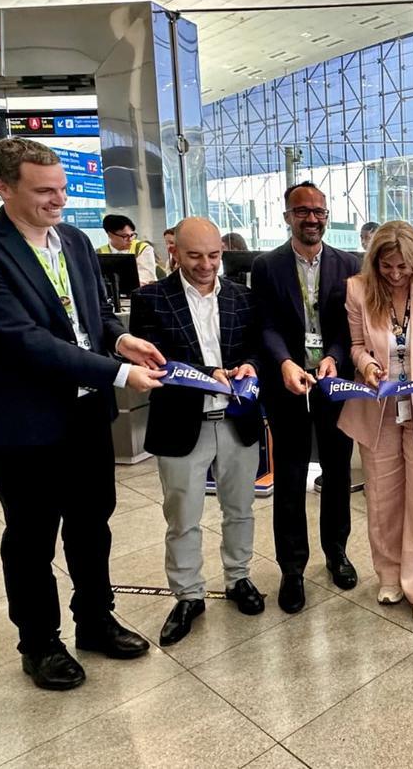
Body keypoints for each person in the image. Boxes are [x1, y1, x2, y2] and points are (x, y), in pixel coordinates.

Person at [0, 138, 165, 690]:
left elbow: (92, 317)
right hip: (23, 423)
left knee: (92, 523)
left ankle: (94, 619)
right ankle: (40, 642)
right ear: (2, 188)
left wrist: (123, 344)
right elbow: (22, 341)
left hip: (85, 416)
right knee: (31, 535)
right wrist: (118, 375)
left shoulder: (72, 239)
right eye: (44, 191)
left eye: (64, 189)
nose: (59, 202)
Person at [129, 218, 266, 646]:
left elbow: (256, 345)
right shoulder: (149, 298)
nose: (206, 265)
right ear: (174, 253)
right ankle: (188, 595)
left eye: (214, 255)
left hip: (236, 420)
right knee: (183, 517)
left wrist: (250, 366)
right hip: (180, 424)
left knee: (239, 508)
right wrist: (211, 374)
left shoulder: (243, 297)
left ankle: (238, 577)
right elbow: (156, 360)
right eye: (194, 256)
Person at [337, 222, 413, 622]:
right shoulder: (358, 290)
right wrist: (368, 365)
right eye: (387, 267)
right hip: (378, 408)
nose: (395, 275)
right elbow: (356, 345)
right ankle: (389, 575)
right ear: (375, 262)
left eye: (403, 267)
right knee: (384, 499)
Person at [250, 181, 362, 612]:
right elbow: (266, 324)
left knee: (337, 473)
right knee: (292, 478)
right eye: (302, 211)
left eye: (318, 210)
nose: (311, 218)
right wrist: (283, 362)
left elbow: (349, 325)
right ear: (287, 217)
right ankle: (292, 568)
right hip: (288, 384)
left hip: (334, 384)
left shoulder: (349, 263)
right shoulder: (266, 266)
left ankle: (337, 553)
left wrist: (333, 356)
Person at [99, 213, 158, 285]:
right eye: (125, 236)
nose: (130, 239)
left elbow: (147, 278)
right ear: (110, 235)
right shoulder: (99, 253)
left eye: (132, 235)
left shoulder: (142, 249)